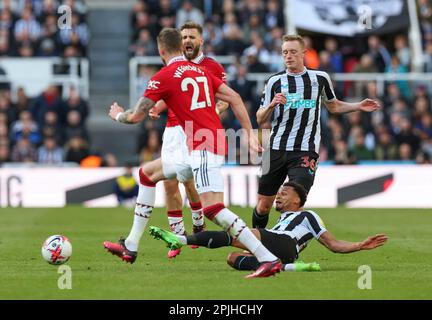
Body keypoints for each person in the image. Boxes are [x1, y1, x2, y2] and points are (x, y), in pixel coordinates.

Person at [103, 27, 282, 278]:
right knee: (147, 174)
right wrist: (249, 133)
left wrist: (117, 115)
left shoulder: (163, 76)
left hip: (203, 145)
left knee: (214, 209)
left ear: (160, 50)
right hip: (200, 144)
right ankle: (131, 246)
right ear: (180, 45)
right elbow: (235, 97)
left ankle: (267, 258)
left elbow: (135, 117)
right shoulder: (200, 71)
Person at [252, 34, 381, 229]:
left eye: (293, 52)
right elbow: (260, 118)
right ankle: (256, 244)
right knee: (263, 206)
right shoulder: (274, 81)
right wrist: (271, 105)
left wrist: (358, 106)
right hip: (277, 149)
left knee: (294, 203)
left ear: (304, 53)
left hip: (305, 150)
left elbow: (334, 106)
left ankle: (286, 245)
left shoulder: (320, 78)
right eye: (285, 52)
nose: (288, 56)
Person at [149, 182, 388, 272]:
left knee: (240, 234)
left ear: (297, 201)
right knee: (232, 258)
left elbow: (332, 244)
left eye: (285, 193)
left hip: (284, 244)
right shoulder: (281, 221)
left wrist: (359, 245)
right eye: (279, 193)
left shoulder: (309, 216)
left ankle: (180, 240)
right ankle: (290, 268)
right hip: (280, 248)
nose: (279, 197)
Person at [149, 21, 229, 259]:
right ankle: (176, 237)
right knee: (169, 182)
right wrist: (158, 108)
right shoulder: (175, 67)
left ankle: (198, 223)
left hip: (197, 128)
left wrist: (207, 115)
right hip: (173, 129)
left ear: (201, 40)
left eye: (192, 37)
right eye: (183, 37)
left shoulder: (211, 66)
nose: (187, 41)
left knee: (190, 181)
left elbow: (225, 99)